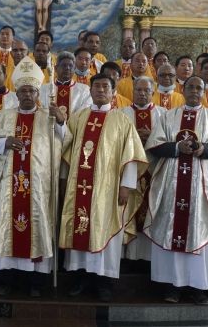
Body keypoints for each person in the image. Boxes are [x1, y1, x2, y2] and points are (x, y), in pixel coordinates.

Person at [145, 76, 208, 304]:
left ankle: (198, 288)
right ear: (183, 89)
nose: (195, 91)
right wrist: (178, 147)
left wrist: (204, 149)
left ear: (204, 92)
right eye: (190, 87)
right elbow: (154, 146)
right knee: (170, 229)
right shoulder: (168, 116)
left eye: (199, 88)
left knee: (199, 230)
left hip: (202, 187)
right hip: (171, 184)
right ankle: (171, 286)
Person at [0, 57, 68, 297]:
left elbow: (66, 141)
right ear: (17, 93)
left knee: (38, 226)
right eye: (24, 91)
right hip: (8, 185)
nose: (28, 95)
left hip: (39, 186)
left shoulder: (49, 118)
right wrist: (4, 142)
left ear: (38, 93)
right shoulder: (3, 116)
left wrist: (61, 121)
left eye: (32, 90)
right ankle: (4, 280)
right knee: (5, 226)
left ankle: (36, 283)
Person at [60, 73, 147, 302]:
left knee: (104, 229)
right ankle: (80, 278)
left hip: (108, 189)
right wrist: (59, 123)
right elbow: (63, 144)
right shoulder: (79, 117)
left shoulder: (121, 120)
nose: (100, 90)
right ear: (89, 91)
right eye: (96, 86)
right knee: (80, 229)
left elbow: (130, 156)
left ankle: (103, 282)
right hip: (80, 185)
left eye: (105, 87)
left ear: (113, 92)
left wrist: (126, 186)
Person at [121, 76, 165, 263]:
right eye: (138, 90)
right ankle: (129, 257)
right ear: (133, 91)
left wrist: (152, 138)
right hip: (130, 172)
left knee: (152, 211)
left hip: (155, 170)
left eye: (146, 90)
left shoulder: (164, 115)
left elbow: (169, 142)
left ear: (153, 93)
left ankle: (150, 259)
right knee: (128, 212)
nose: (142, 93)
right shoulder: (121, 114)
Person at [40, 51, 91, 117]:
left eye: (71, 66)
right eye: (64, 65)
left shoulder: (84, 90)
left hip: (73, 126)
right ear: (56, 68)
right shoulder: (43, 89)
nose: (67, 68)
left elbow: (83, 114)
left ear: (74, 69)